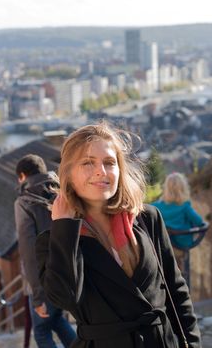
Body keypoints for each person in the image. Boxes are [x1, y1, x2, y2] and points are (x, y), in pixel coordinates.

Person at [35, 123, 201, 348]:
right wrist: (65, 226)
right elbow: (65, 298)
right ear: (68, 175)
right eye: (87, 162)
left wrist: (191, 343)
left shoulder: (147, 218)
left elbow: (175, 290)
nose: (101, 171)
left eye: (109, 163)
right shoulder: (54, 240)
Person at [14, 154, 76, 348]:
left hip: (44, 278)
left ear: (22, 176)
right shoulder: (61, 193)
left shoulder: (24, 203)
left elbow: (29, 252)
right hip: (69, 272)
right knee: (56, 320)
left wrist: (38, 296)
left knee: (41, 331)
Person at [152, 172, 204, 248]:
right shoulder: (185, 206)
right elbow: (199, 221)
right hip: (182, 244)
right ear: (183, 188)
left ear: (166, 188)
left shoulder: (156, 206)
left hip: (163, 244)